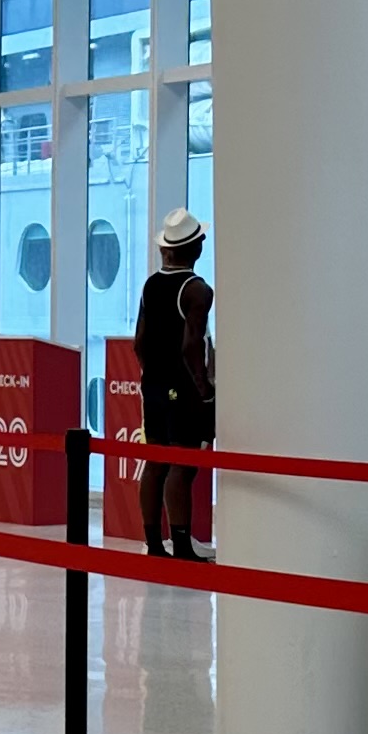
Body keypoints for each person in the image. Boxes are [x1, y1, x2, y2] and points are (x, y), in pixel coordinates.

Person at [137, 209, 216, 560]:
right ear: (196, 248)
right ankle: (182, 543)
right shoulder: (197, 289)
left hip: (152, 384)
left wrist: (152, 374)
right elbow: (191, 345)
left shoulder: (151, 285)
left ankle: (154, 542)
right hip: (181, 388)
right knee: (183, 463)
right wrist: (204, 388)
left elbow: (139, 342)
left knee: (155, 460)